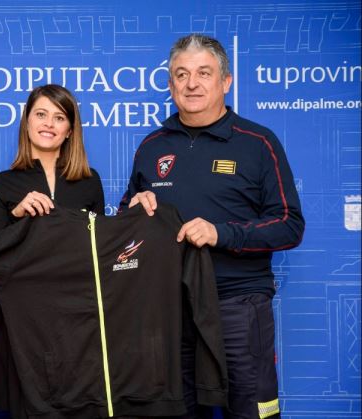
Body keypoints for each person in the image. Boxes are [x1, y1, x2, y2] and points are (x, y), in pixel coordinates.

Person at [120, 34, 305, 418]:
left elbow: (289, 225)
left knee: (253, 410)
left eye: (204, 73)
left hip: (237, 305)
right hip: (170, 307)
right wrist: (134, 213)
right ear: (170, 85)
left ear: (226, 81)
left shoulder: (258, 142)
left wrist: (222, 232)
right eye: (181, 74)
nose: (192, 84)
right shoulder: (151, 146)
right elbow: (125, 227)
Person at [0, 84, 105, 418]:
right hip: (22, 323)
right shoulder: (2, 184)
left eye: (59, 117)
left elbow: (100, 254)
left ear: (70, 130)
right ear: (26, 122)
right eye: (40, 114)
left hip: (79, 322)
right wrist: (16, 216)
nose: (49, 123)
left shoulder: (89, 181)